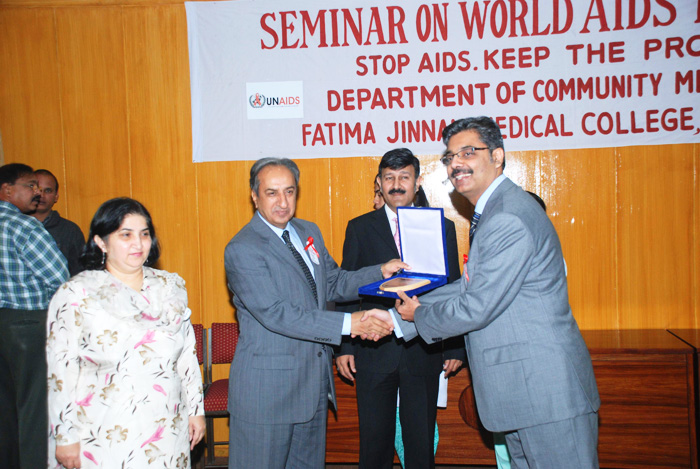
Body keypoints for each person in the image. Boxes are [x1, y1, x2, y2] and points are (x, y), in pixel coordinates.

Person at [395, 116, 600, 468]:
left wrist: (417, 315)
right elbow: (473, 283)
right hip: (526, 393)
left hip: (545, 393)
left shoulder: (508, 216)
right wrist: (404, 311)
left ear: (498, 156)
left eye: (468, 152)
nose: (456, 163)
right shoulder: (495, 212)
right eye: (449, 157)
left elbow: (477, 306)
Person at [224, 157, 407, 469]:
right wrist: (351, 323)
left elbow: (333, 282)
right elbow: (277, 313)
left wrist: (381, 272)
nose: (283, 202)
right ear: (254, 196)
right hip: (267, 394)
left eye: (289, 191)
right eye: (272, 193)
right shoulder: (243, 248)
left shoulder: (308, 231)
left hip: (312, 388)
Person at [46, 197, 205, 469]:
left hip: (166, 425)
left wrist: (195, 410)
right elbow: (61, 372)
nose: (138, 243)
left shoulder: (170, 286)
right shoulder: (77, 294)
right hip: (104, 429)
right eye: (125, 235)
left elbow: (186, 354)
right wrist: (65, 436)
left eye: (145, 234)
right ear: (101, 242)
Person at [336, 148, 464, 469]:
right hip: (373, 348)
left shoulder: (442, 227)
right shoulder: (360, 228)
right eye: (389, 178)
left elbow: (453, 290)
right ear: (379, 183)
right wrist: (344, 346)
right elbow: (345, 290)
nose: (396, 185)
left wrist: (456, 346)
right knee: (374, 443)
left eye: (404, 177)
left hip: (423, 348)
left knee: (420, 444)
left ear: (417, 181)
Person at [0, 163, 69, 469]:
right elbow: (59, 279)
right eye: (29, 186)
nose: (37, 192)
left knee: (6, 407)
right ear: (6, 189)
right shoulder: (25, 226)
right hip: (28, 324)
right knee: (34, 406)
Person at [30, 169, 86, 276]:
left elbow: (80, 273)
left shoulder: (70, 230)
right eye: (37, 189)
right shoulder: (16, 227)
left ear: (56, 196)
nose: (41, 195)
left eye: (47, 191)